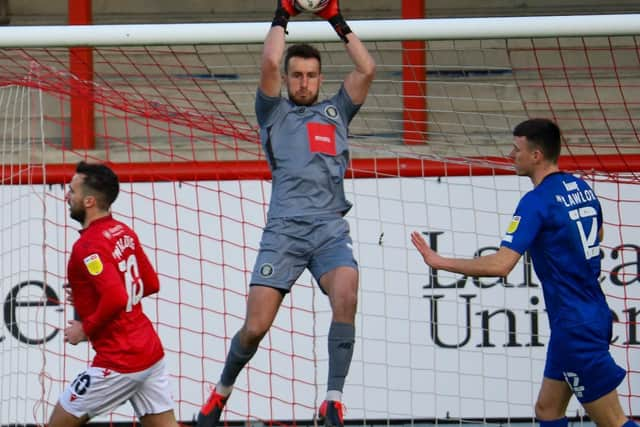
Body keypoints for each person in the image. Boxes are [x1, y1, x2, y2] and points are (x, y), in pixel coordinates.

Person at [196, 1, 375, 427]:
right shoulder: (273, 112)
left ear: (320, 78)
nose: (303, 81)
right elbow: (271, 58)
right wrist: (284, 13)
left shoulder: (337, 112)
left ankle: (333, 400)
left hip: (330, 230)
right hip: (284, 234)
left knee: (347, 290)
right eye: (297, 75)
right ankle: (221, 393)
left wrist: (334, 18)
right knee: (255, 328)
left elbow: (366, 68)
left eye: (311, 75)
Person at [411, 118, 637, 427]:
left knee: (614, 423)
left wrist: (440, 261)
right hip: (588, 313)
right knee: (548, 409)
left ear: (537, 155)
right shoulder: (581, 187)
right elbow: (596, 235)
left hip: (575, 327)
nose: (509, 155)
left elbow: (501, 265)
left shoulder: (536, 202)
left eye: (516, 149)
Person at [48, 161, 179, 427]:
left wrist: (85, 329)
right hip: (149, 353)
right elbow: (150, 283)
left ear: (89, 201)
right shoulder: (122, 231)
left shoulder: (87, 245)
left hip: (120, 360)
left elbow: (117, 298)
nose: (67, 196)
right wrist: (93, 298)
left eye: (72, 191)